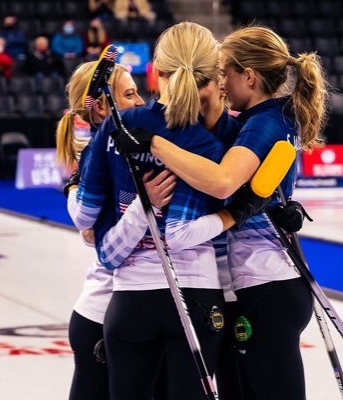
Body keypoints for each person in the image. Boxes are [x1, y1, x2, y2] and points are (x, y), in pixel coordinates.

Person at [117, 25, 329, 400]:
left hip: (266, 283)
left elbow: (222, 182)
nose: (220, 81)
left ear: (249, 76)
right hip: (261, 281)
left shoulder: (264, 122)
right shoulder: (265, 117)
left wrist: (155, 144)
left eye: (225, 72)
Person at [71, 22, 229, 400]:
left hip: (132, 298)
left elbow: (85, 218)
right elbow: (181, 232)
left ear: (156, 70)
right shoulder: (208, 140)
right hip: (198, 293)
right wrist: (233, 215)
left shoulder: (118, 125)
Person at [56, 60, 163, 400]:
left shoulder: (125, 147)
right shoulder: (99, 154)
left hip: (130, 309)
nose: (140, 103)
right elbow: (87, 226)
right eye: (129, 95)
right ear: (101, 106)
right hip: (103, 313)